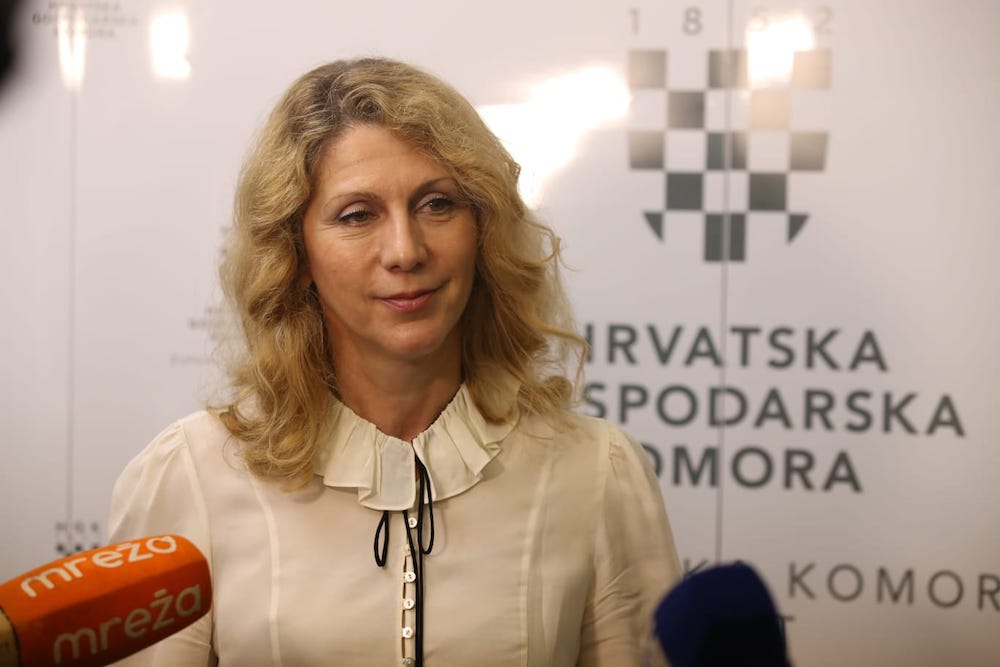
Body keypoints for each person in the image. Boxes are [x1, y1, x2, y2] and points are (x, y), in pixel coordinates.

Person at [108, 57, 681, 666]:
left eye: (437, 204)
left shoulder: (596, 471)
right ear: (295, 254)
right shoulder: (191, 475)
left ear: (484, 230)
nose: (405, 251)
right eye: (357, 215)